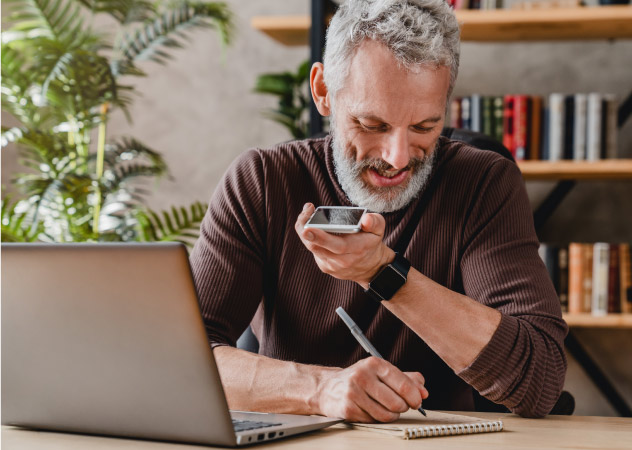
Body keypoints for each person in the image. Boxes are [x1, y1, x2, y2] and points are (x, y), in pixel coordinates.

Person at [190, 0, 567, 422]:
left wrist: (382, 272)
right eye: (373, 125)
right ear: (322, 92)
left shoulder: (482, 183)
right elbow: (181, 360)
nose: (399, 158)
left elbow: (541, 380)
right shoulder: (262, 180)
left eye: (425, 127)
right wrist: (321, 390)